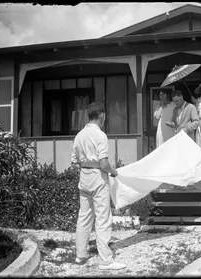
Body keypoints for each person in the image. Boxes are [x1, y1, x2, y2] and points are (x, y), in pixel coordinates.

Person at [71, 102, 126, 270]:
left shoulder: (79, 135)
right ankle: (105, 260)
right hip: (97, 176)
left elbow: (74, 161)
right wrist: (114, 172)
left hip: (84, 176)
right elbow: (103, 163)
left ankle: (80, 255)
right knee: (103, 218)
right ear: (102, 115)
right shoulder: (100, 135)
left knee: (84, 217)